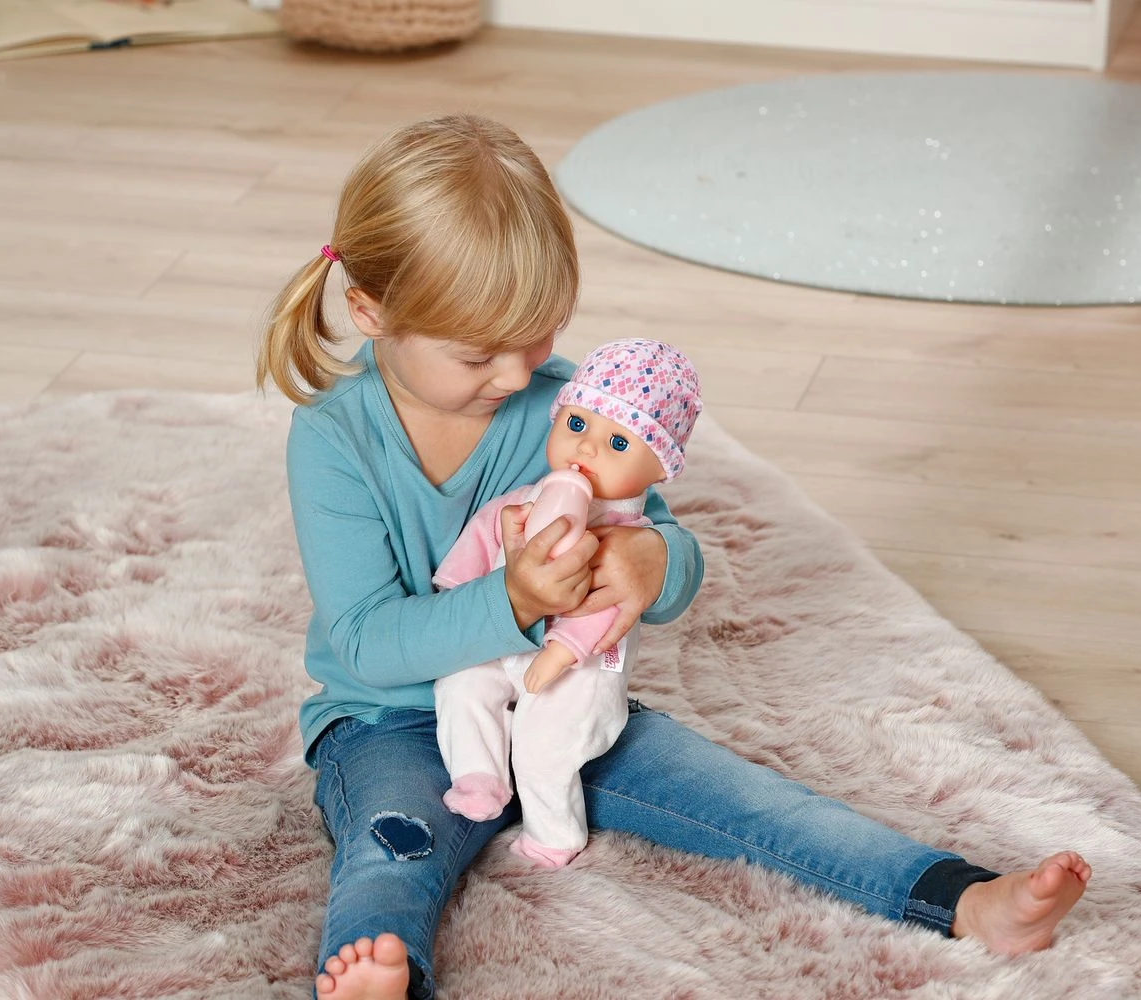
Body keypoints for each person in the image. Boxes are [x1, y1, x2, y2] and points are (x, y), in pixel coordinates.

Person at [256, 113, 1091, 1000]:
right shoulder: (335, 439)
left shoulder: (567, 411)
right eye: (478, 354)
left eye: (537, 336)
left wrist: (654, 564)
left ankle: (960, 897)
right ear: (371, 311)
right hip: (389, 722)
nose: (515, 375)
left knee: (749, 800)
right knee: (394, 849)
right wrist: (515, 599)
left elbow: (665, 548)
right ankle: (381, 972)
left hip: (560, 696)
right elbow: (364, 641)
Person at [432, 338, 703, 869]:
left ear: (659, 470)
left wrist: (561, 649)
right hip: (501, 638)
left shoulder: (625, 540)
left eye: (618, 443)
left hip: (581, 663)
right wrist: (458, 586)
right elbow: (485, 533)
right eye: (577, 424)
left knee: (546, 741)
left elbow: (604, 605)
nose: (587, 448)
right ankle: (479, 775)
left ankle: (553, 834)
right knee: (461, 684)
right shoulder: (526, 499)